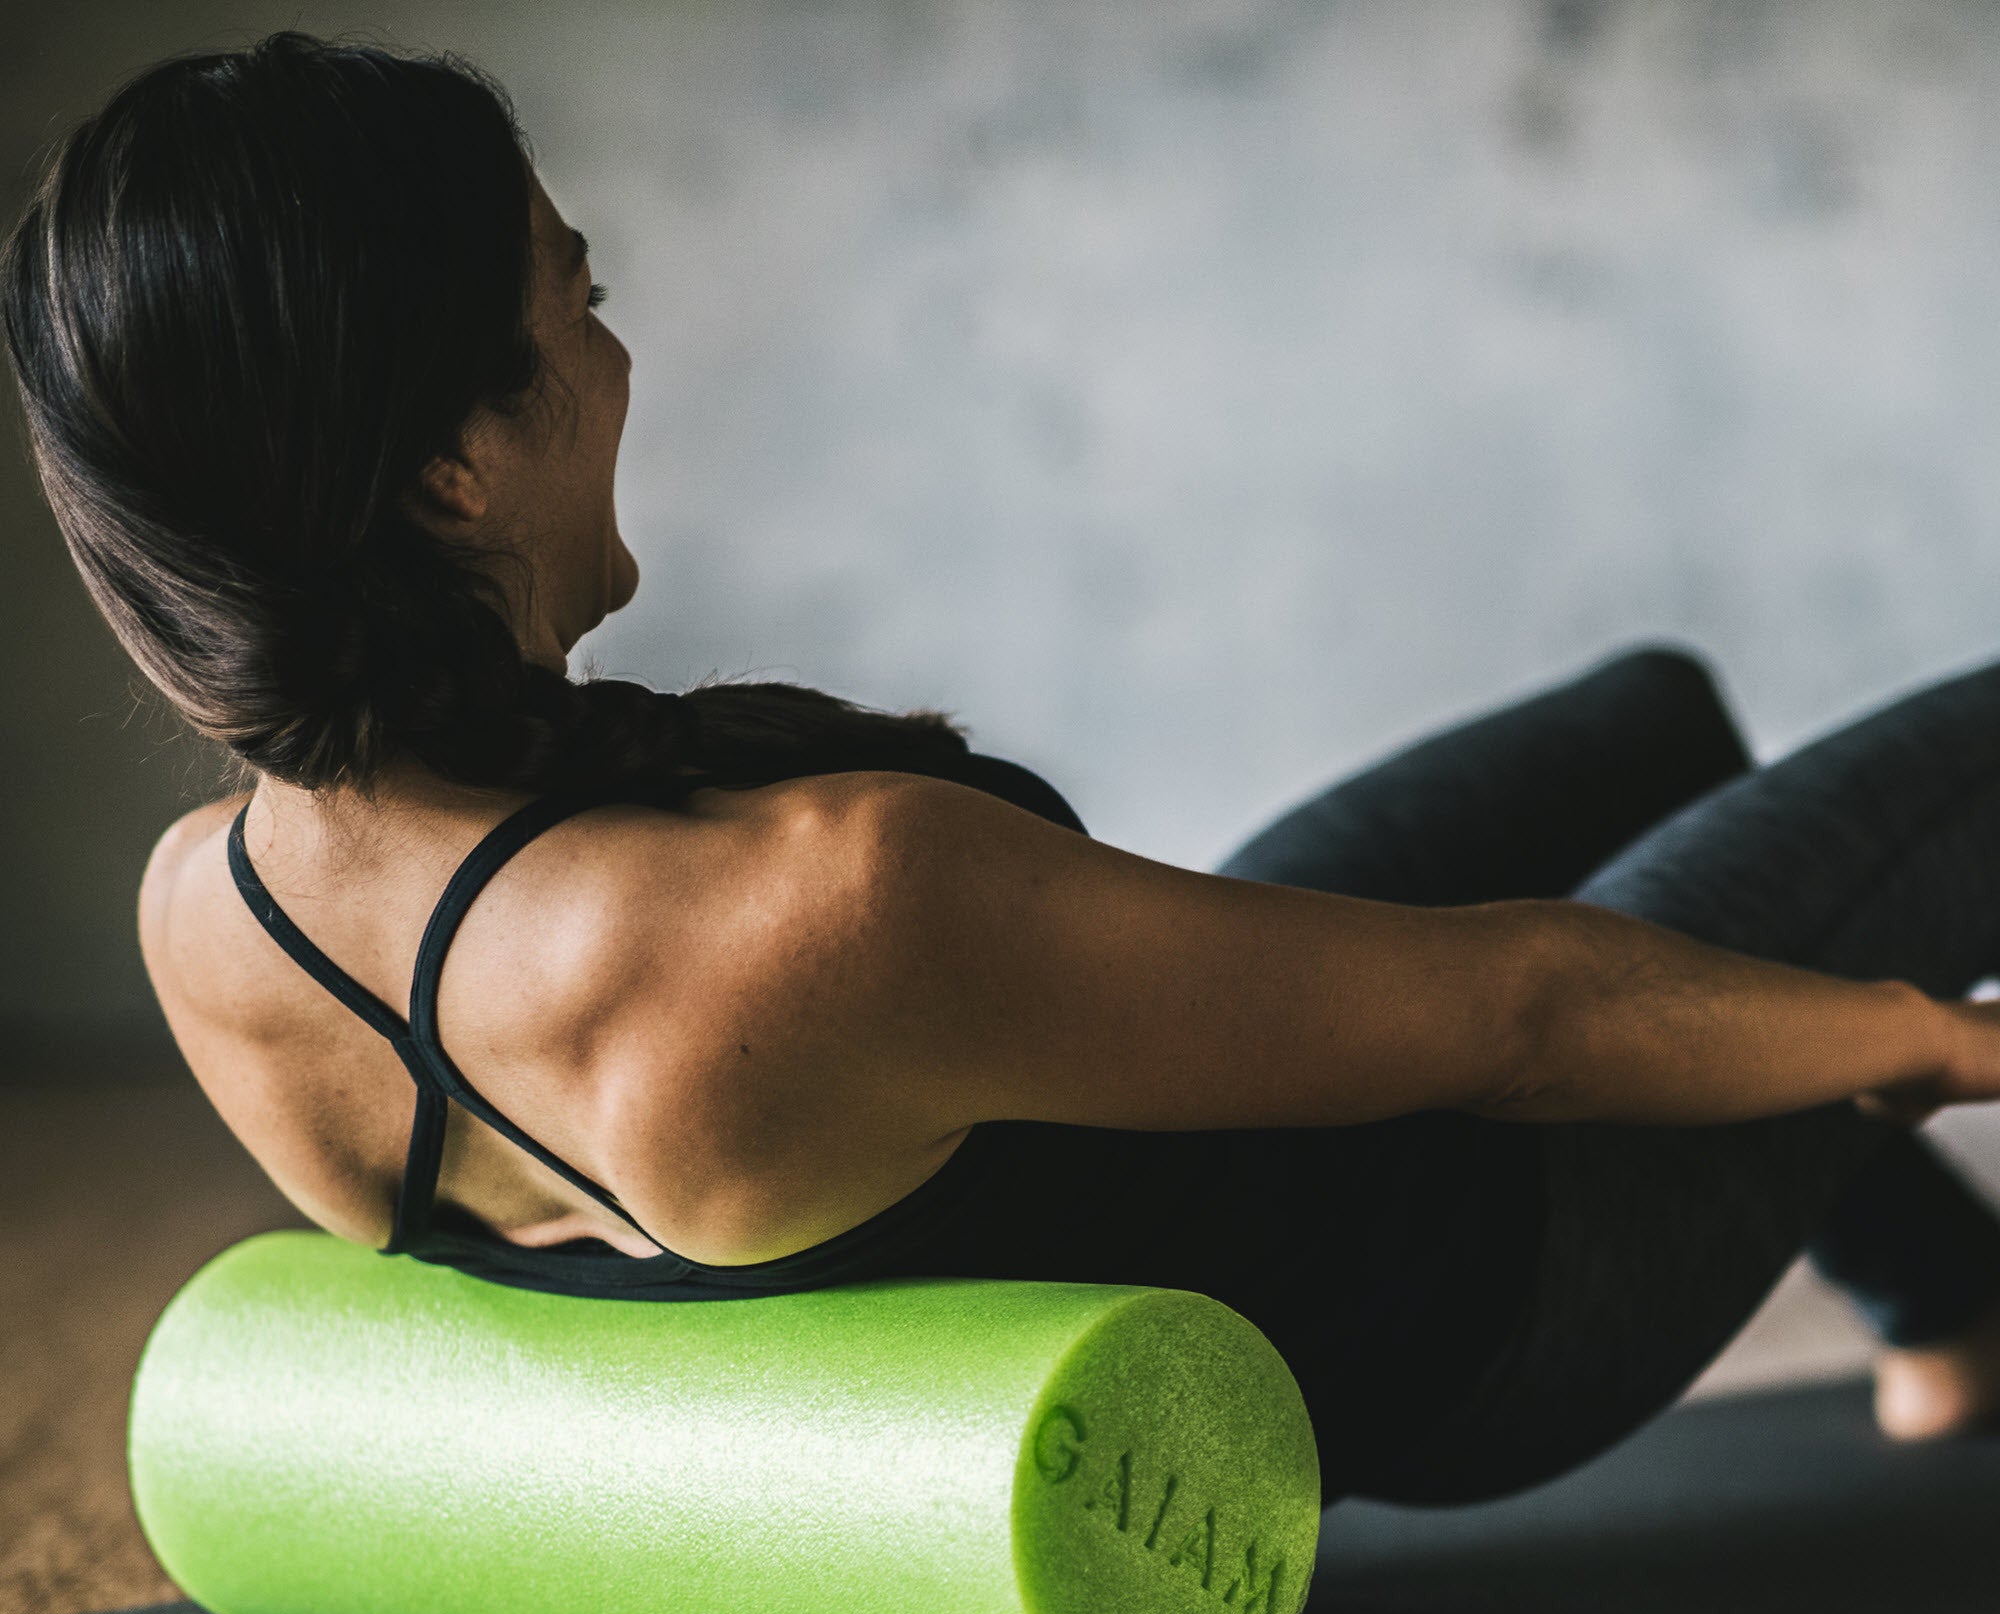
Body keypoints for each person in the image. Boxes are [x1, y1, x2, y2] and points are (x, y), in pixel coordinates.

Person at [11, 33, 2000, 1508]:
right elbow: (1529, 1021)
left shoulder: (213, 920)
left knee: (1646, 717)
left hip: (1199, 1203)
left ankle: (1949, 1315)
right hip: (1489, 1301)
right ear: (456, 466)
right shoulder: (825, 900)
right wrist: (1930, 1038)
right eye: (579, 300)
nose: (616, 358)